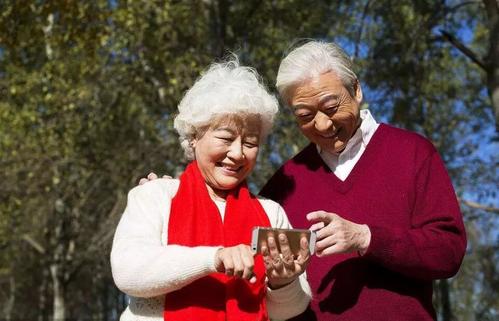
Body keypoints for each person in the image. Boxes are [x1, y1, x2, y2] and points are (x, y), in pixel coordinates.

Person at [258, 40, 467, 320]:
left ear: (356, 90)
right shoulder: (283, 183)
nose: (322, 125)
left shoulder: (412, 152)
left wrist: (366, 237)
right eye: (305, 116)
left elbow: (448, 252)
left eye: (331, 107)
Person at [111, 59, 312, 321]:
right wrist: (214, 258)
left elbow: (290, 310)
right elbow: (128, 271)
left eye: (250, 142)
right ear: (194, 137)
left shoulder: (271, 212)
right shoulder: (156, 196)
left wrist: (283, 282)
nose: (238, 153)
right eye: (226, 139)